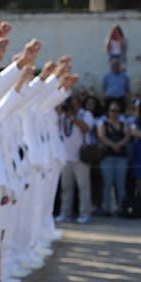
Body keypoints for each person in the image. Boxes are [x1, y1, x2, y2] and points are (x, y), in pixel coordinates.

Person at [56, 96, 94, 224]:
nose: (72, 108)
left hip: (80, 158)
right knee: (66, 188)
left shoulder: (86, 114)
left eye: (74, 105)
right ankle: (64, 213)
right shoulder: (63, 117)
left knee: (83, 187)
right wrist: (62, 112)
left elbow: (87, 128)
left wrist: (73, 118)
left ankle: (84, 214)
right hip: (66, 157)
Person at [97, 102, 131, 215]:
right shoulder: (103, 123)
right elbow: (101, 136)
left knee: (121, 185)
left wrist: (119, 145)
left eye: (116, 110)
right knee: (108, 184)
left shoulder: (124, 124)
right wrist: (112, 145)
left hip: (121, 157)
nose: (114, 113)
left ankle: (122, 208)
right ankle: (107, 208)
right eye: (112, 110)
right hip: (107, 157)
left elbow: (127, 136)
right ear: (108, 112)